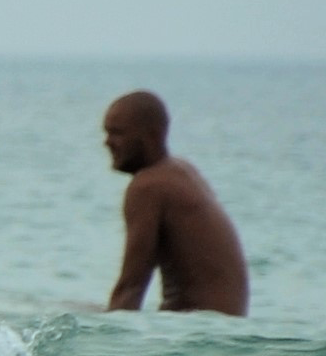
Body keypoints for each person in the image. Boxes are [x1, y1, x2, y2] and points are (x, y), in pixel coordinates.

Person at [101, 91, 251, 316]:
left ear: (152, 135)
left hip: (197, 331)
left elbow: (131, 287)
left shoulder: (148, 186)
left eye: (117, 133)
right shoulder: (180, 171)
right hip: (222, 327)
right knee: (72, 308)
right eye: (107, 133)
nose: (107, 142)